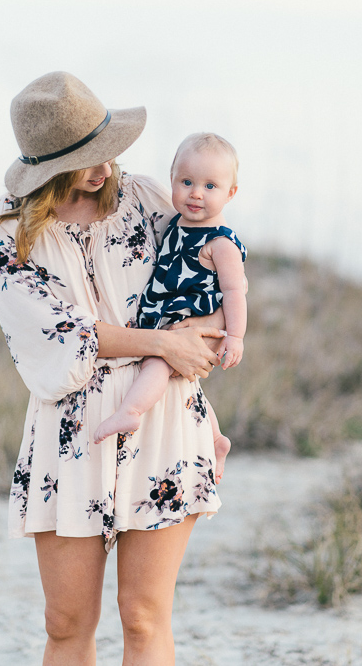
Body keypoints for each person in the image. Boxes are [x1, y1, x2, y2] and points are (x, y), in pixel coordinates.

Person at [0, 71, 228, 666]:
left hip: (163, 418)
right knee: (66, 623)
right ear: (45, 166)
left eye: (107, 151)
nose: (106, 168)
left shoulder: (146, 199)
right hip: (68, 431)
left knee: (144, 618)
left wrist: (199, 337)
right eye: (88, 159)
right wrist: (161, 343)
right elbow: (59, 335)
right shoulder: (6, 231)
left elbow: (211, 278)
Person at [94, 132, 247, 488]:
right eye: (187, 181)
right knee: (186, 381)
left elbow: (236, 290)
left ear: (231, 193)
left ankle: (130, 412)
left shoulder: (220, 242)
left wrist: (234, 336)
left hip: (190, 322)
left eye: (211, 186)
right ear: (172, 181)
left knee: (158, 362)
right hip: (169, 318)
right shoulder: (175, 223)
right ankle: (215, 438)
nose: (196, 193)